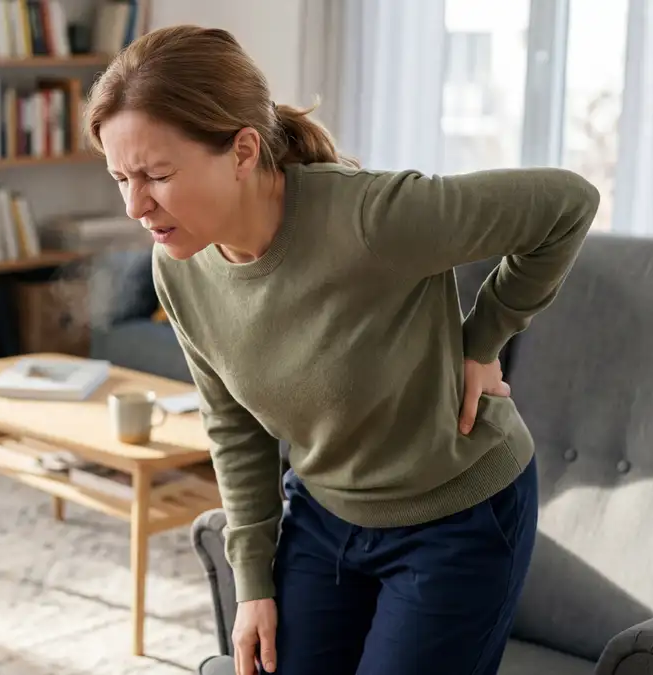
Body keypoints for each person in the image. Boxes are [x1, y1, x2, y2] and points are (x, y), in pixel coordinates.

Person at [85, 25, 599, 675]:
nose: (135, 205)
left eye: (157, 175)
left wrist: (483, 337)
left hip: (457, 518)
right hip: (324, 513)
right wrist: (253, 583)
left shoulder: (371, 219)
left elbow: (567, 204)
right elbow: (233, 425)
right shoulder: (178, 268)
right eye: (120, 178)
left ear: (243, 151)